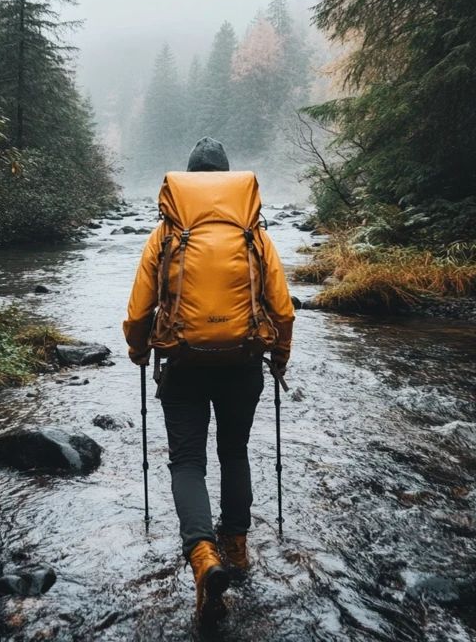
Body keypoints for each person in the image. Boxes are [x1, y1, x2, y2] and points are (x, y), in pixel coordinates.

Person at [123, 137, 295, 622]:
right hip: (242, 363)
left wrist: (138, 349)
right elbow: (282, 307)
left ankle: (202, 556)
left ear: (188, 178)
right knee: (234, 451)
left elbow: (140, 307)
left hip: (182, 364)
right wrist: (279, 355)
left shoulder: (167, 232)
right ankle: (236, 544)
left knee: (186, 462)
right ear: (226, 176)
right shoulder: (252, 232)